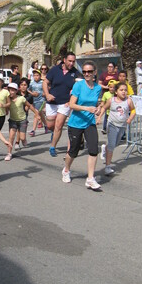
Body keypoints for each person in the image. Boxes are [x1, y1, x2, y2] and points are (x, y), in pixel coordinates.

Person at [62, 60, 102, 190]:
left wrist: (98, 108)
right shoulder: (79, 86)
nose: (87, 74)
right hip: (76, 123)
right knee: (73, 151)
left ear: (94, 72)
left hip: (89, 123)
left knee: (93, 150)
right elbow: (71, 104)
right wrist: (87, 109)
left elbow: (97, 103)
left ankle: (90, 178)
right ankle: (66, 170)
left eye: (89, 71)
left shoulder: (98, 88)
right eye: (84, 72)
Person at [42, 52, 82, 157]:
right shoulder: (55, 69)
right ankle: (53, 133)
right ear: (64, 60)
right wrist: (47, 94)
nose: (71, 63)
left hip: (65, 103)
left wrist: (71, 102)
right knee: (51, 125)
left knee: (59, 126)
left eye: (73, 61)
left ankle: (52, 147)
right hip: (52, 102)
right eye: (70, 61)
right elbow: (45, 82)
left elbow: (80, 88)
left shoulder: (76, 73)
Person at [97, 82, 135, 175]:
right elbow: (104, 108)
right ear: (116, 92)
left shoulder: (128, 101)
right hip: (112, 124)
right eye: (121, 90)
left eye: (125, 90)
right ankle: (107, 167)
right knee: (111, 146)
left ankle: (104, 149)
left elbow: (133, 110)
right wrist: (99, 118)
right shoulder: (111, 100)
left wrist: (130, 118)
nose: (124, 92)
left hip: (122, 126)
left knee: (115, 144)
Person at [4, 82, 38, 161]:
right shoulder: (8, 100)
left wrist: (36, 114)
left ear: (16, 91)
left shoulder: (21, 98)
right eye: (9, 90)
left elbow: (29, 105)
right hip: (13, 121)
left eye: (13, 90)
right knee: (11, 137)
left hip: (22, 120)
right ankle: (9, 153)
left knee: (22, 138)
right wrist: (5, 109)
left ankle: (24, 140)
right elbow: (6, 110)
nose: (11, 92)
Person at [14, 78, 34, 150]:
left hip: (24, 115)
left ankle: (19, 141)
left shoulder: (29, 96)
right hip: (15, 114)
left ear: (27, 86)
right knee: (17, 129)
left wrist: (27, 107)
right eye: (21, 85)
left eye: (25, 85)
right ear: (19, 86)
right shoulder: (16, 94)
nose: (23, 86)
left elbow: (31, 105)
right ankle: (17, 142)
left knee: (21, 129)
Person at [28, 69, 48, 136]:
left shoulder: (42, 82)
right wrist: (32, 93)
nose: (36, 77)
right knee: (41, 114)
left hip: (42, 100)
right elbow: (28, 89)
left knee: (36, 114)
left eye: (37, 75)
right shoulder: (31, 83)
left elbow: (47, 90)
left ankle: (33, 130)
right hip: (35, 101)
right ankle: (46, 125)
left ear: (40, 76)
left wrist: (44, 93)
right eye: (34, 75)